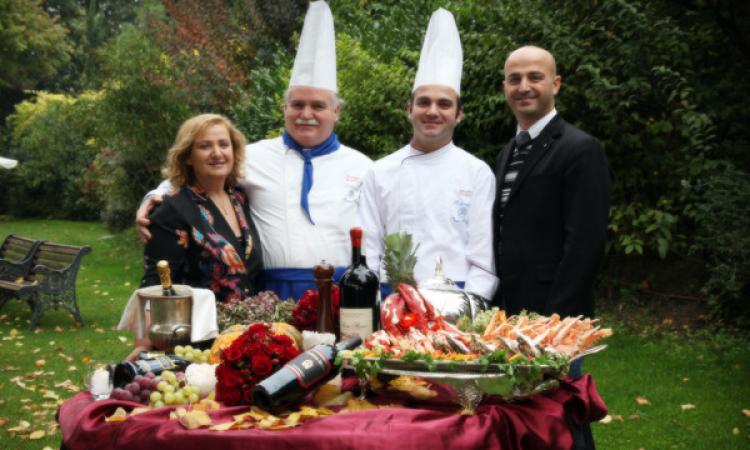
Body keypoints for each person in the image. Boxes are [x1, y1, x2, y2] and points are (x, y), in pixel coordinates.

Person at [136, 1, 372, 300]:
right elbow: (192, 176)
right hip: (270, 292)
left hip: (340, 292)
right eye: (297, 104)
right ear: (284, 108)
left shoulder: (362, 166)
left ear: (336, 111)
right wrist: (150, 199)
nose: (306, 113)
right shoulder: (253, 155)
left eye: (318, 106)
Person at [360, 8, 497, 301]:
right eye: (423, 102)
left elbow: (484, 255)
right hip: (391, 298)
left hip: (457, 299)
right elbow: (369, 250)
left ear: (458, 115)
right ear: (409, 110)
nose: (433, 111)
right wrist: (376, 306)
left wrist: (469, 307)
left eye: (444, 104)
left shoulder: (477, 172)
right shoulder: (379, 171)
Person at [129, 113, 264, 359]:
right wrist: (143, 344)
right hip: (195, 347)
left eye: (224, 144)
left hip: (244, 343)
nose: (217, 153)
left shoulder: (240, 199)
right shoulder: (172, 210)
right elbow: (154, 282)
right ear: (188, 157)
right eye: (205, 146)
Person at [492, 45, 610, 321]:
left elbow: (585, 244)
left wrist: (554, 319)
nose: (523, 87)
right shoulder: (506, 152)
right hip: (508, 312)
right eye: (514, 79)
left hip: (555, 316)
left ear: (555, 84)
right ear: (504, 87)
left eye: (535, 77)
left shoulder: (581, 149)